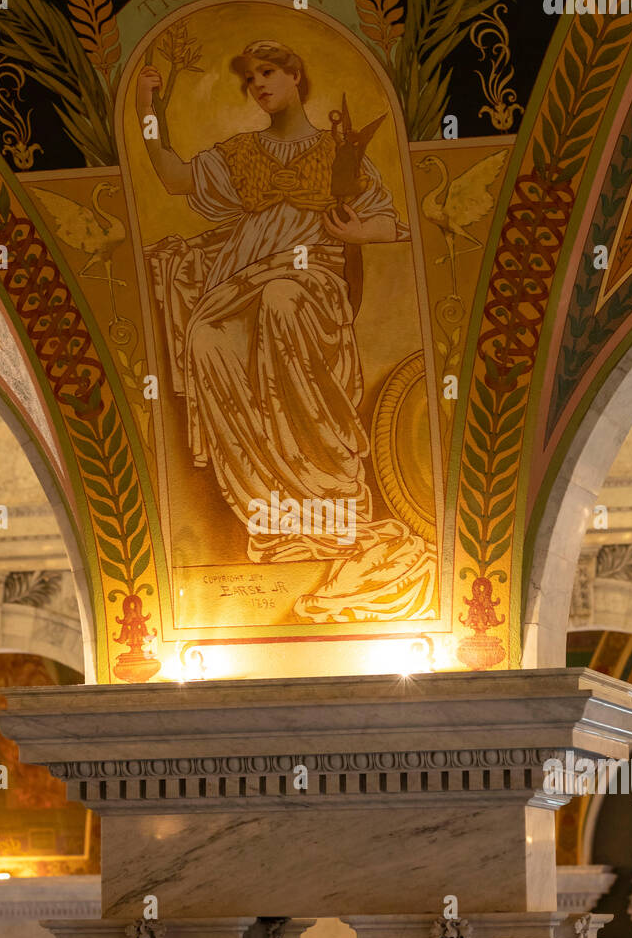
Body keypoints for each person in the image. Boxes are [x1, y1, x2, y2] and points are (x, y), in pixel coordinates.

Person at [137, 38, 435, 622]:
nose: (258, 87)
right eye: (250, 81)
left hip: (311, 280)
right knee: (206, 339)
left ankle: (328, 495)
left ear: (296, 76)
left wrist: (354, 235)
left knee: (280, 298)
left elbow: (391, 224)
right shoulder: (239, 153)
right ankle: (273, 513)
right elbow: (172, 176)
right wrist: (149, 111)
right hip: (237, 282)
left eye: (267, 73)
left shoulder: (336, 151)